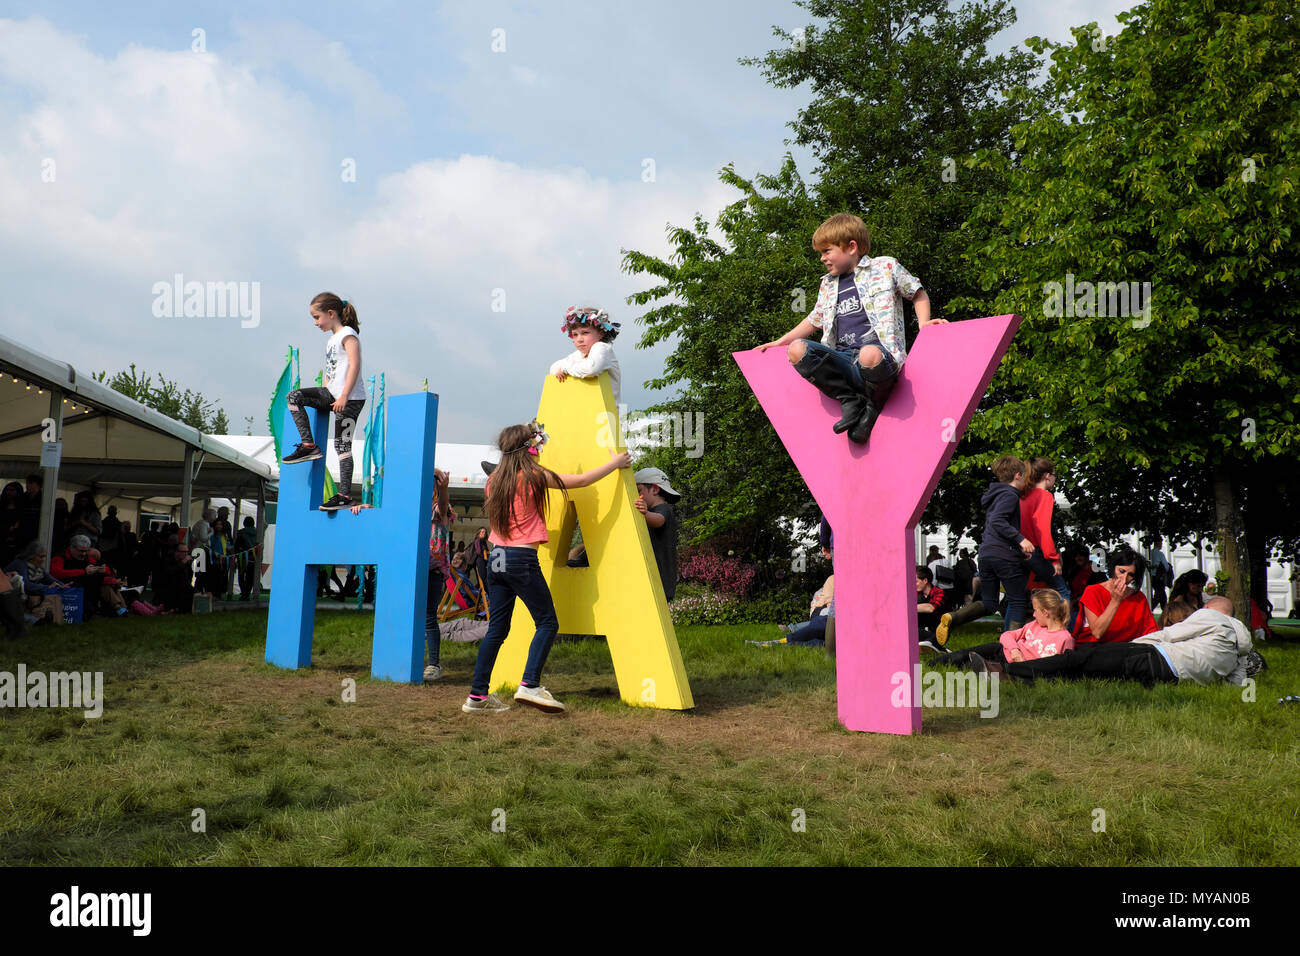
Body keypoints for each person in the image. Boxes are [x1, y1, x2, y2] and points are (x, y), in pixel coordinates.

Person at [464, 420, 632, 715]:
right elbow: (579, 481)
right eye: (537, 444)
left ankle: (477, 696)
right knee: (548, 623)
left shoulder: (495, 481)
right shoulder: (532, 475)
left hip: (497, 559)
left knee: (497, 630)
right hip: (520, 560)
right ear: (530, 447)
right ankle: (529, 685)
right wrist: (615, 463)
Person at [756, 212, 942, 444]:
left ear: (851, 247)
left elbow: (917, 292)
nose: (822, 258)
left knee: (869, 353)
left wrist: (924, 323)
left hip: (878, 360)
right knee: (796, 350)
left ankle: (873, 405)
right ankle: (849, 399)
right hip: (843, 359)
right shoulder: (827, 284)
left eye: (827, 251)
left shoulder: (885, 267)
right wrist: (779, 342)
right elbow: (815, 319)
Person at [984, 596, 1251, 688]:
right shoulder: (1239, 648)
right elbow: (1236, 682)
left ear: (1210, 608)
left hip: (1153, 656)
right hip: (1170, 678)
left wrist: (1135, 644)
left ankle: (1006, 672)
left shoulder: (1213, 617)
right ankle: (1033, 679)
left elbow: (1171, 634)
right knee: (1091, 673)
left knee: (1081, 658)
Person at [934, 456, 1035, 644]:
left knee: (989, 603)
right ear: (1018, 475)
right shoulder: (1010, 495)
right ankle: (1011, 648)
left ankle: (953, 617)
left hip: (987, 554)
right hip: (1003, 556)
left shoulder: (995, 495)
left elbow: (995, 525)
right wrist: (1021, 540)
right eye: (1025, 477)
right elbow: (998, 521)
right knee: (1018, 601)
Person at [282, 292, 367, 512]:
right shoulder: (331, 339)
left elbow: (355, 365)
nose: (315, 323)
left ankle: (345, 495)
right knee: (293, 397)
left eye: (317, 317)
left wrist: (344, 395)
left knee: (342, 446)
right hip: (332, 393)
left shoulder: (348, 335)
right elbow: (333, 369)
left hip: (350, 399)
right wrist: (326, 388)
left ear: (331, 313)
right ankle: (308, 445)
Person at [929, 588, 1072, 667]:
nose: (1033, 615)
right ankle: (931, 664)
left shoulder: (1065, 639)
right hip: (1000, 650)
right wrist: (1015, 650)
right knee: (962, 655)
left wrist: (1024, 664)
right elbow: (1007, 635)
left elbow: (1061, 665)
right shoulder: (1034, 625)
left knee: (970, 666)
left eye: (1035, 610)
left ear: (1045, 612)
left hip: (1011, 665)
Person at [1074, 545, 1158, 643]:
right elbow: (1097, 633)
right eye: (1121, 571)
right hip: (1096, 649)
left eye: (1130, 575)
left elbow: (1151, 631)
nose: (1124, 578)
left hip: (1128, 650)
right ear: (1113, 568)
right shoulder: (1093, 592)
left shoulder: (1138, 597)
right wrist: (1115, 601)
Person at [1019, 456, 1071, 610]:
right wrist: (1054, 559)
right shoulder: (1044, 496)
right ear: (1047, 476)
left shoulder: (1022, 496)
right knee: (1063, 592)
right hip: (1036, 551)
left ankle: (1010, 634)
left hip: (1020, 551)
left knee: (1017, 599)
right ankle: (1062, 633)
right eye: (1054, 475)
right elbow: (1042, 530)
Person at [549, 305, 622, 404]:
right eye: (575, 334)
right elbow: (554, 367)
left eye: (585, 333)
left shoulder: (602, 348)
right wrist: (562, 369)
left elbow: (591, 369)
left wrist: (565, 369)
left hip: (607, 415)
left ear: (601, 333)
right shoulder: (579, 355)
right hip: (588, 412)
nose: (579, 339)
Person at [50, 534, 128, 618]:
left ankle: (121, 609)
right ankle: (120, 609)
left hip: (87, 587)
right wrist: (84, 572)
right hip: (69, 588)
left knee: (107, 584)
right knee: (105, 585)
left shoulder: (87, 557)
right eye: (81, 551)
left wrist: (104, 570)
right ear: (72, 548)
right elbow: (57, 573)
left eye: (86, 551)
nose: (83, 554)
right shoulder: (60, 558)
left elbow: (103, 567)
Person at [633, 467, 681, 601]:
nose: (635, 496)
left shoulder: (663, 509)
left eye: (638, 491)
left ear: (654, 489)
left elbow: (659, 520)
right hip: (657, 580)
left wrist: (645, 514)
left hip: (660, 579)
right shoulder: (651, 511)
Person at [748, 574, 834, 648]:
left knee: (819, 633)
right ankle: (783, 642)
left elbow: (827, 601)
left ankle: (783, 641)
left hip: (832, 626)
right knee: (819, 629)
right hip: (828, 618)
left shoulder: (833, 579)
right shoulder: (832, 579)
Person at [425, 469, 454, 682]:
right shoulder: (412, 509)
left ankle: (434, 663)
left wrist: (444, 488)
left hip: (432, 571)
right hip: (413, 570)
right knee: (411, 617)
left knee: (428, 618)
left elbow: (443, 507)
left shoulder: (438, 509)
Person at [5, 541, 69, 625]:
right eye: (40, 557)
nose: (43, 559)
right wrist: (46, 587)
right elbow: (26, 585)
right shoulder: (20, 564)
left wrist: (63, 585)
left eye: (44, 557)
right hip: (13, 598)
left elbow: (49, 579)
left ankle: (53, 619)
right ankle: (39, 621)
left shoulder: (38, 568)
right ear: (31, 556)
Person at [915, 565, 950, 648]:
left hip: (937, 631)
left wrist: (908, 607)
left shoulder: (940, 592)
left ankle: (932, 645)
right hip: (921, 630)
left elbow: (931, 608)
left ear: (925, 580)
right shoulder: (916, 594)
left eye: (916, 581)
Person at [234, 517, 260, 600]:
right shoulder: (258, 533)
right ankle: (247, 593)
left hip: (243, 557)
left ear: (244, 523)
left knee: (241, 576)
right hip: (254, 558)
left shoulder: (241, 533)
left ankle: (244, 593)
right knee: (250, 577)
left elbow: (237, 546)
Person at [1147, 536, 1172, 611]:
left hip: (1152, 577)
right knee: (1159, 594)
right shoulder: (1160, 554)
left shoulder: (1150, 553)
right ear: (1159, 543)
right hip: (1159, 577)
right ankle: (1149, 609)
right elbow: (1166, 566)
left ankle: (1165, 610)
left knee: (1162, 595)